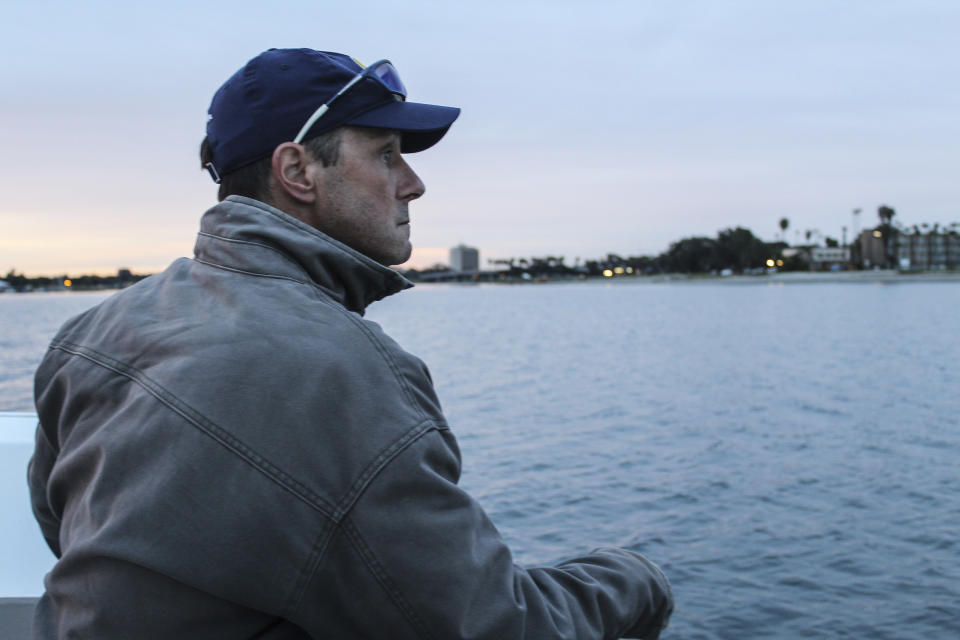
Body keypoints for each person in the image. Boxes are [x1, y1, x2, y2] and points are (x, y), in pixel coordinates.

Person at [28, 48, 673, 639]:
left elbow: (62, 525)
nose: (413, 183)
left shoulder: (90, 335)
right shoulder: (344, 372)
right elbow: (494, 626)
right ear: (297, 170)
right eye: (387, 154)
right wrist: (636, 578)